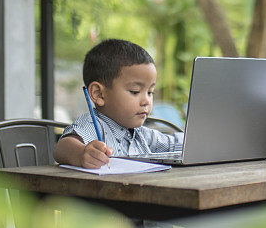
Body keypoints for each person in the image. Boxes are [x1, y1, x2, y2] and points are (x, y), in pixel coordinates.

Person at [54, 39, 182, 169]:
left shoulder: (143, 136)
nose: (146, 101)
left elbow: (180, 144)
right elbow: (62, 148)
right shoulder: (92, 125)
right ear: (98, 94)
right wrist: (82, 154)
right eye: (135, 91)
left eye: (150, 92)